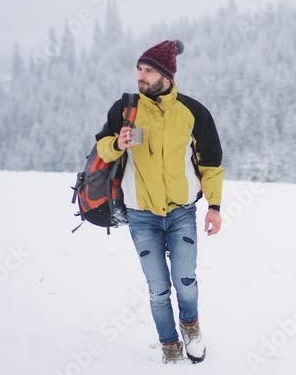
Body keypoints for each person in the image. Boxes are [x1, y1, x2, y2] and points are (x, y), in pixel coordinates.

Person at [94, 39, 224, 364]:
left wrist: (215, 207)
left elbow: (211, 163)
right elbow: (101, 150)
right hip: (141, 217)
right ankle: (169, 345)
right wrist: (116, 143)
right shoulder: (125, 110)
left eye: (148, 70)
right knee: (158, 289)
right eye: (139, 68)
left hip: (181, 212)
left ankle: (191, 325)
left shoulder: (192, 112)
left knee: (185, 279)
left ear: (166, 75)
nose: (141, 75)